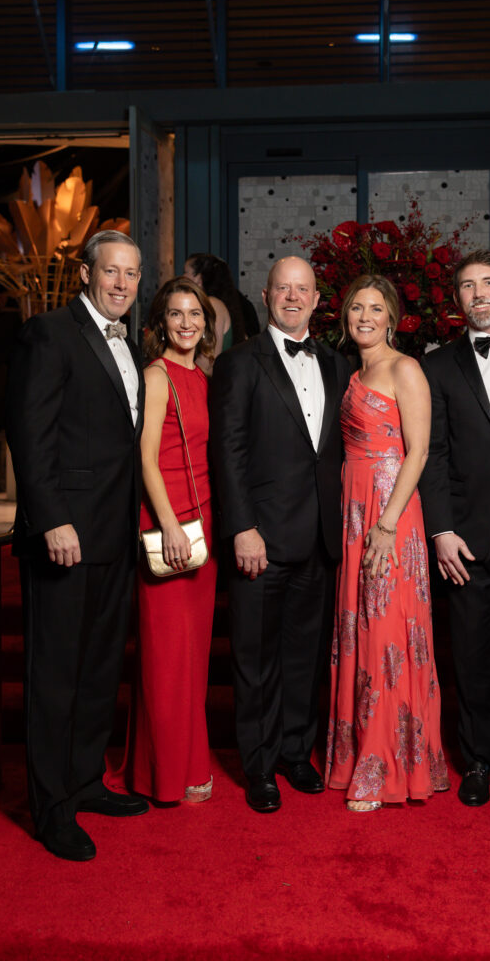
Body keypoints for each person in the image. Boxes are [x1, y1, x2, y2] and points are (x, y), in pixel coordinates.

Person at [5, 230, 149, 862]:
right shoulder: (49, 333)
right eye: (111, 271)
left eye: (131, 274)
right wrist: (51, 520)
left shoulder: (132, 345)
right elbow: (29, 433)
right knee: (56, 675)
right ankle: (51, 808)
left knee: (97, 670)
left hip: (116, 533)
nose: (122, 283)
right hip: (65, 534)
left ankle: (86, 781)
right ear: (87, 273)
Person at [210, 255, 350, 812]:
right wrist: (242, 527)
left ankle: (296, 752)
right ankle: (260, 764)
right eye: (282, 289)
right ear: (265, 296)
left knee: (304, 658)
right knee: (256, 660)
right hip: (261, 539)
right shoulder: (239, 363)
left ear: (316, 299)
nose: (293, 297)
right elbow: (228, 451)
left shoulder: (338, 364)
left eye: (303, 289)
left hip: (320, 538)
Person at [326, 275, 450, 811]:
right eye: (357, 308)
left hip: (389, 513)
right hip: (354, 511)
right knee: (358, 628)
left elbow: (418, 452)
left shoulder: (405, 369)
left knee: (386, 633)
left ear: (392, 318)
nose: (365, 317)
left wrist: (387, 523)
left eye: (376, 308)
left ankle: (386, 767)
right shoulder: (353, 374)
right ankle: (359, 755)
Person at [419, 249, 490, 807]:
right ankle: (477, 760)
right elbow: (433, 453)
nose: (479, 294)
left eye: (489, 282)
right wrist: (440, 530)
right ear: (457, 298)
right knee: (470, 650)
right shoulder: (438, 365)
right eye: (467, 286)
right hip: (466, 530)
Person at [117, 277, 219, 804]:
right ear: (160, 323)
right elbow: (146, 458)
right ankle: (163, 774)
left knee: (192, 656)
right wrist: (168, 525)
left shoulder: (202, 376)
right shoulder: (156, 377)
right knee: (166, 657)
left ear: (206, 322)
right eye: (176, 314)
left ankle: (189, 762)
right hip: (170, 523)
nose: (187, 323)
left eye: (195, 314)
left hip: (205, 527)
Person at [184, 253, 260, 360]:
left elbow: (209, 360)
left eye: (186, 272)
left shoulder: (213, 305)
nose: (182, 277)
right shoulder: (225, 302)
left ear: (199, 279)